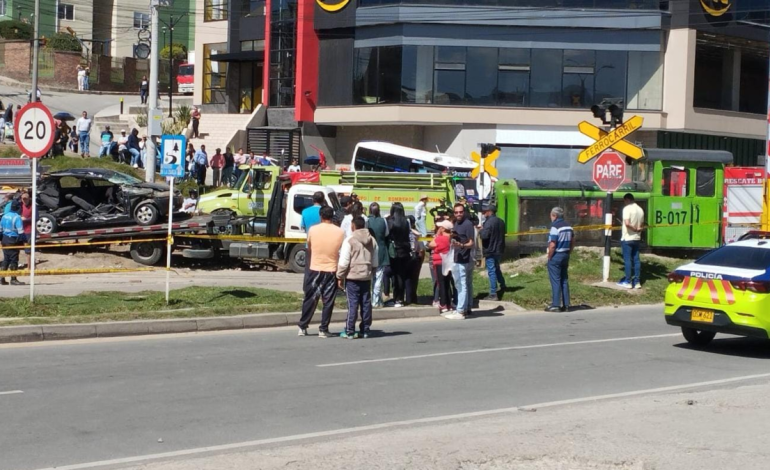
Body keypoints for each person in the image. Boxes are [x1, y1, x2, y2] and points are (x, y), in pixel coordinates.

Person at [298, 206, 345, 338]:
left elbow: (310, 247)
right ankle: (323, 328)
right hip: (331, 269)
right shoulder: (340, 232)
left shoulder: (313, 230)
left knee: (310, 298)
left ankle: (303, 326)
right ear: (332, 216)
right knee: (328, 300)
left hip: (315, 268)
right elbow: (341, 251)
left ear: (320, 216)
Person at [337, 216, 378, 339]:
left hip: (352, 277)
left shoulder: (350, 240)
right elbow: (375, 261)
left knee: (353, 304)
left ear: (352, 226)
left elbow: (344, 261)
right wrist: (371, 272)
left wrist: (340, 276)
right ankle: (365, 329)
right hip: (366, 277)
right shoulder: (372, 240)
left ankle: (350, 330)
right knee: (366, 303)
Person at [448, 203, 475, 320]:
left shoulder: (468, 224)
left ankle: (460, 311)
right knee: (467, 284)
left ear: (464, 212)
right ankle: (467, 307)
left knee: (461, 284)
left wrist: (461, 245)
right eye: (456, 212)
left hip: (463, 259)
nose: (458, 214)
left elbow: (471, 243)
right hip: (461, 257)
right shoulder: (456, 224)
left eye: (460, 212)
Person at [546, 207, 574, 312]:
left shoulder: (555, 227)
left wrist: (550, 256)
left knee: (555, 280)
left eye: (551, 215)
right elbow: (572, 241)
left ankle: (556, 304)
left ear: (554, 216)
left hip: (556, 255)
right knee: (564, 279)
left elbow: (552, 244)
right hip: (565, 254)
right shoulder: (569, 226)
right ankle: (566, 305)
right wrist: (569, 252)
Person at [387, 202, 412, 308]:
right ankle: (401, 298)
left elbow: (387, 235)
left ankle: (397, 298)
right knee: (402, 275)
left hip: (395, 251)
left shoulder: (391, 221)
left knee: (395, 276)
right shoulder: (406, 221)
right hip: (405, 250)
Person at [479, 203, 507, 301]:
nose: (483, 213)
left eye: (485, 211)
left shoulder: (488, 222)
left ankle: (493, 293)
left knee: (491, 271)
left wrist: (481, 231)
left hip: (490, 250)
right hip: (499, 249)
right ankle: (503, 285)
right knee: (497, 268)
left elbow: (484, 236)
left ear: (489, 212)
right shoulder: (501, 221)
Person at [619, 193, 645, 289]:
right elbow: (642, 225)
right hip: (637, 238)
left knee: (627, 260)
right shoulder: (640, 209)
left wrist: (633, 229)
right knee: (636, 260)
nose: (624, 203)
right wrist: (638, 230)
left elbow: (627, 223)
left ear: (627, 200)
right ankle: (637, 282)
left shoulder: (627, 209)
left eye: (624, 201)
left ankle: (628, 281)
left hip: (627, 237)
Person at [429, 219, 454, 315]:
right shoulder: (450, 237)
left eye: (440, 227)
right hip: (448, 262)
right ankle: (448, 303)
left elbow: (431, 244)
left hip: (440, 262)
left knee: (441, 283)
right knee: (447, 283)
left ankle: (443, 304)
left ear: (443, 228)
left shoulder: (440, 238)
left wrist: (437, 235)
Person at [367, 202, 389, 308]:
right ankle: (376, 301)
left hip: (369, 252)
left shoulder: (366, 221)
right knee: (378, 278)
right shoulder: (383, 221)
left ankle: (371, 300)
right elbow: (386, 234)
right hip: (381, 251)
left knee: (369, 278)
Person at [0, 199, 24, 285]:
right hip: (13, 240)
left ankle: (2, 278)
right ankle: (13, 279)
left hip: (4, 240)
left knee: (6, 259)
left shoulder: (4, 216)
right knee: (14, 259)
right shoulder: (17, 217)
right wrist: (24, 241)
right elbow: (21, 232)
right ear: (18, 208)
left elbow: (0, 230)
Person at [406, 215, 425, 305]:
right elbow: (422, 249)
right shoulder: (418, 233)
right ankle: (413, 297)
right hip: (416, 257)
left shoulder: (404, 232)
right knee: (414, 279)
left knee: (407, 279)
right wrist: (421, 260)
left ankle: (408, 298)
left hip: (407, 257)